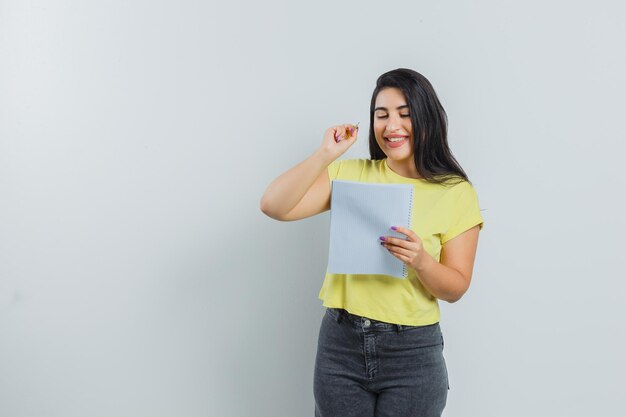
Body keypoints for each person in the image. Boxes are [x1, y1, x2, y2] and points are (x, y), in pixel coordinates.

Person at [259, 68, 484, 417]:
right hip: (341, 345)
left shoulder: (456, 192)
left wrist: (421, 260)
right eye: (382, 115)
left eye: (404, 114)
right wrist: (324, 154)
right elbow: (274, 206)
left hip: (412, 353)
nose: (391, 126)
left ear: (427, 119)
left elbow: (455, 288)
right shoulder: (351, 174)